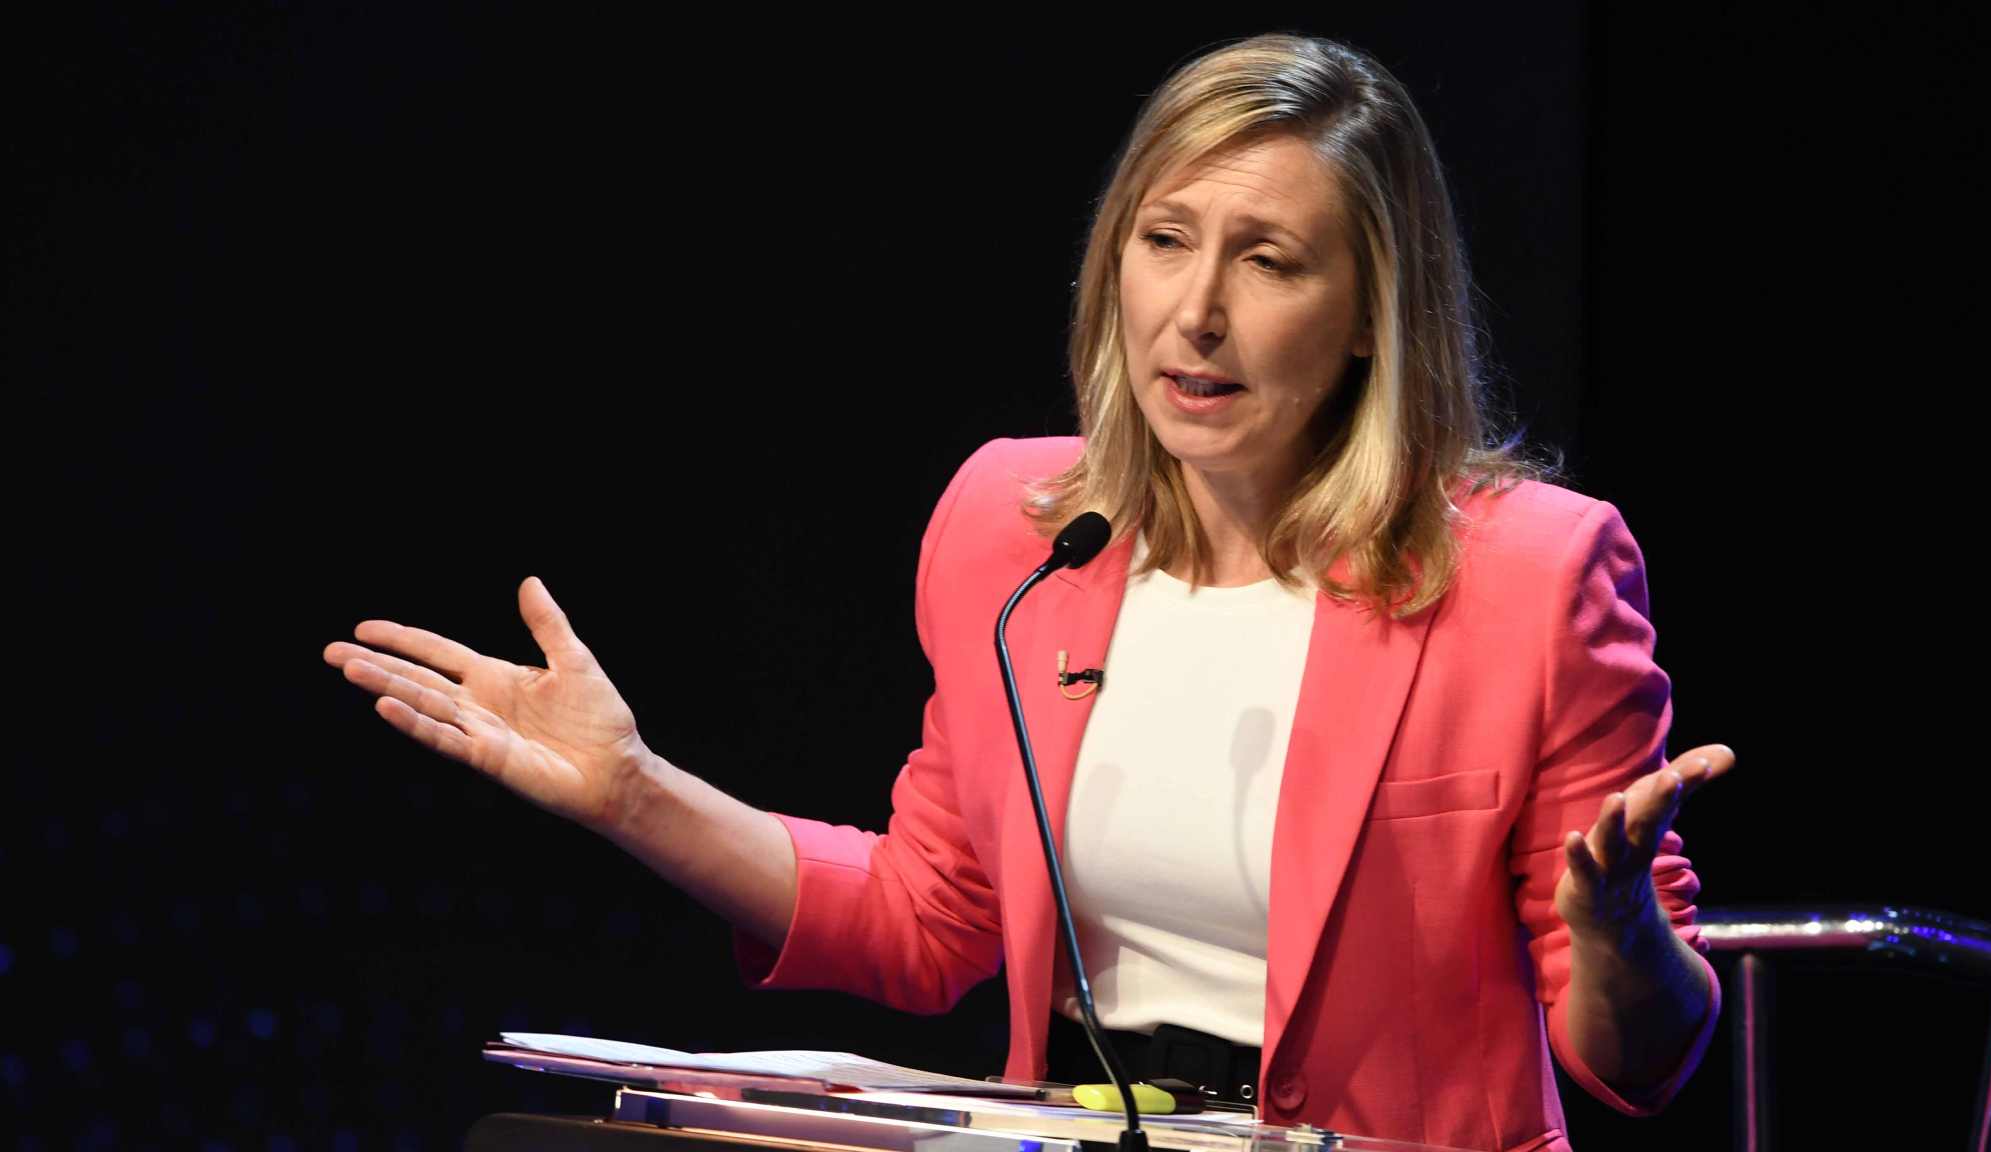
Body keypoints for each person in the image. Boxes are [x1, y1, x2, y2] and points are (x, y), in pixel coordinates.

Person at [323, 33, 1729, 1152]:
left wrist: (1618, 938)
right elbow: (935, 918)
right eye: (1166, 239)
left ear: (1372, 314)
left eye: (1270, 260)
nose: (1199, 312)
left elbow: (1645, 1063)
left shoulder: (1529, 575)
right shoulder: (1016, 526)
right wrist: (634, 791)